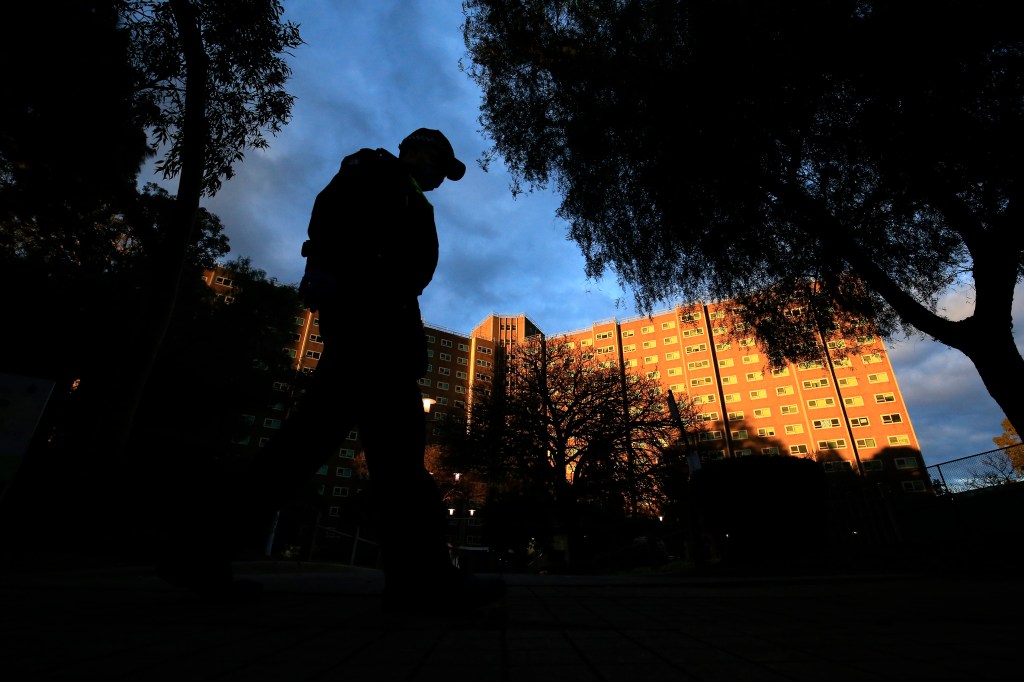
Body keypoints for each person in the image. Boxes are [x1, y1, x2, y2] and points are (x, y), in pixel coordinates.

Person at [159, 129, 505, 613]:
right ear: (415, 150)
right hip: (370, 328)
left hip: (382, 327)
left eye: (445, 171)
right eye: (436, 162)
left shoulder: (408, 196)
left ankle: (199, 550)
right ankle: (421, 581)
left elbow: (408, 268)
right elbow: (332, 221)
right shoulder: (374, 172)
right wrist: (324, 272)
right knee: (396, 461)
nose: (439, 177)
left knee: (311, 449)